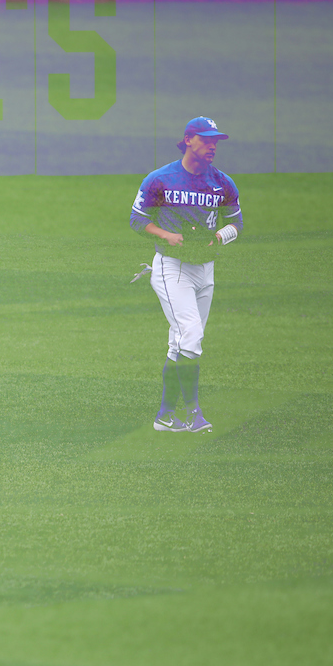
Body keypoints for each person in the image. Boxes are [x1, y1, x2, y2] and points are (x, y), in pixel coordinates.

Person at [129, 117, 244, 433]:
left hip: (205, 270)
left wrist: (218, 237)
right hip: (171, 268)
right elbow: (138, 220)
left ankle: (165, 417)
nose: (212, 146)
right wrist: (165, 235)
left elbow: (237, 224)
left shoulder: (222, 183)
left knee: (180, 344)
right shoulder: (160, 179)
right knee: (191, 335)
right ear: (188, 140)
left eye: (216, 141)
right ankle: (194, 414)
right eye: (207, 140)